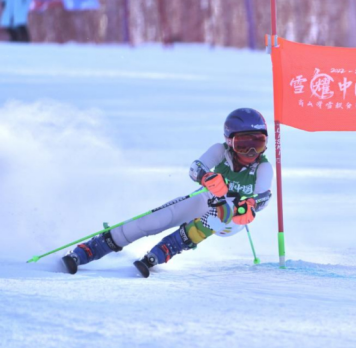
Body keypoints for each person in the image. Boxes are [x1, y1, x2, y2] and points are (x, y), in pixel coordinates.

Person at [62, 108, 274, 278]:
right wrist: (206, 177)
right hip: (209, 197)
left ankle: (168, 248)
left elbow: (263, 196)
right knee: (156, 219)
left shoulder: (263, 167)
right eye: (243, 145)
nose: (251, 152)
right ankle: (91, 249)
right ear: (229, 141)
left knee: (223, 213)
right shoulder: (220, 151)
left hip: (236, 217)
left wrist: (251, 205)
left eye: (258, 143)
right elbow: (195, 168)